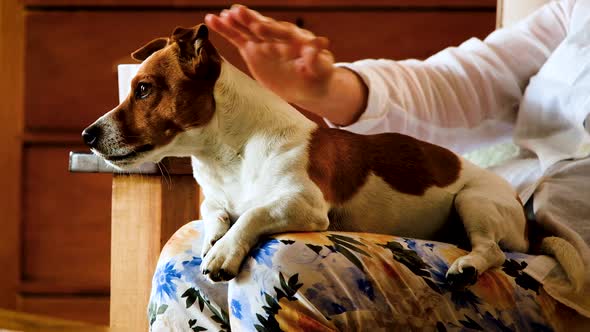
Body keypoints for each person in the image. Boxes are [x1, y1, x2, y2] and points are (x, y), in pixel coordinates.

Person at [148, 2, 590, 330]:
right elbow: (469, 80)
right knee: (187, 259)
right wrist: (326, 86)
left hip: (572, 270)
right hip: (511, 220)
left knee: (282, 268)